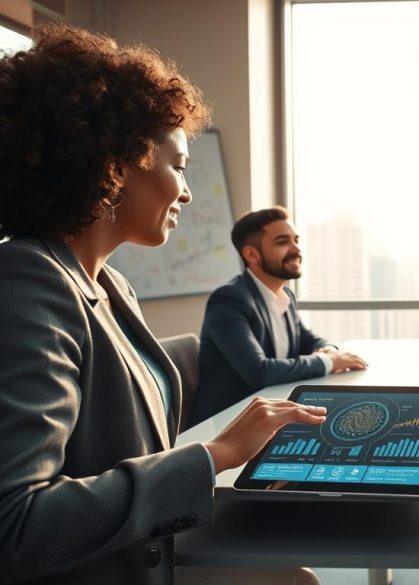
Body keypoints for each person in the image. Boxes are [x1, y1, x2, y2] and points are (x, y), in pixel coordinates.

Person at [0, 25, 321, 585]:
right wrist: (213, 455)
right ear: (115, 165)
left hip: (146, 549)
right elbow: (18, 527)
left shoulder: (110, 287)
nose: (187, 192)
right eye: (178, 165)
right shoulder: (28, 282)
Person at [192, 207, 367, 426]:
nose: (296, 249)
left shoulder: (285, 295)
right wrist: (329, 361)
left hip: (271, 412)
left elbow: (309, 340)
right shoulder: (228, 300)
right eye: (283, 242)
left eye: (296, 240)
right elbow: (259, 371)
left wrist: (328, 349)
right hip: (226, 424)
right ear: (252, 255)